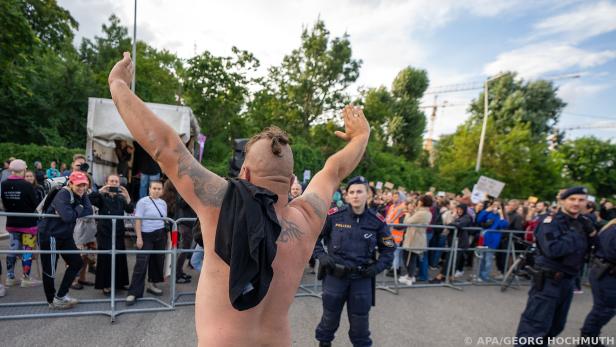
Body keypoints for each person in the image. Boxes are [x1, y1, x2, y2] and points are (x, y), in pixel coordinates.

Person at [109, 52, 370, 346]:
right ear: (292, 178)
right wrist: (362, 135)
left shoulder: (221, 203)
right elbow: (333, 171)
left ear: (244, 172)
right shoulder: (309, 217)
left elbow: (168, 149)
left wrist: (118, 84)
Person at [313, 176, 395, 346]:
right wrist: (321, 256)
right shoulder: (334, 216)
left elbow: (389, 249)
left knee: (360, 325)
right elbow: (313, 238)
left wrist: (376, 268)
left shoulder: (377, 221)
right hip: (335, 277)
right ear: (347, 196)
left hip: (361, 279)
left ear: (368, 195)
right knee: (329, 319)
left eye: (359, 191)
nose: (355, 195)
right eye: (352, 192)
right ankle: (324, 343)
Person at [515, 187, 595, 346]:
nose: (576, 203)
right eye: (572, 199)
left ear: (586, 202)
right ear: (562, 201)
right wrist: (574, 231)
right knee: (534, 326)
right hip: (548, 281)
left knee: (556, 325)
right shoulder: (550, 222)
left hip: (568, 281)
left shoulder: (583, 222)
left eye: (581, 200)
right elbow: (553, 249)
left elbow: (592, 247)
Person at [39, 171, 93, 309]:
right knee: (50, 270)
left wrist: (75, 209)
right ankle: (52, 301)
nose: (82, 188)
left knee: (76, 262)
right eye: (78, 185)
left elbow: (89, 211)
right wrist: (78, 209)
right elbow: (69, 217)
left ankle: (61, 296)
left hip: (65, 235)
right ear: (70, 183)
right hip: (50, 235)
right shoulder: (62, 193)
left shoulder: (83, 194)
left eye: (84, 185)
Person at [126, 180, 169, 305]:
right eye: (154, 188)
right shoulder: (142, 202)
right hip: (146, 235)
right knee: (141, 263)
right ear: (149, 189)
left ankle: (152, 284)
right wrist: (139, 237)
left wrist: (168, 238)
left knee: (157, 261)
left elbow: (164, 221)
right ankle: (133, 292)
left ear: (162, 191)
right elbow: (138, 220)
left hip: (160, 234)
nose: (156, 191)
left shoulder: (163, 203)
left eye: (159, 189)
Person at [89, 174, 133, 295]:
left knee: (119, 257)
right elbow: (89, 199)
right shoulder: (101, 196)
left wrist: (127, 196)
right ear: (106, 182)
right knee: (106, 258)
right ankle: (105, 285)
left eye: (116, 181)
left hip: (118, 232)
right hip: (105, 232)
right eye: (111, 181)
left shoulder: (121, 198)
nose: (113, 183)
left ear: (119, 184)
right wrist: (100, 191)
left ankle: (120, 283)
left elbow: (130, 209)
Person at [1, 160, 42, 287]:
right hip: (28, 223)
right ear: (23, 170)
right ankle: (26, 277)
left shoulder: (4, 184)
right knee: (27, 250)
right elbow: (35, 204)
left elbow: (4, 203)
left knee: (12, 249)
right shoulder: (27, 185)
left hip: (12, 222)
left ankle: (10, 277)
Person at [577, 219, 616, 347]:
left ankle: (590, 337)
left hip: (607, 273)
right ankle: (587, 339)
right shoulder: (613, 230)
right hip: (606, 273)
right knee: (604, 308)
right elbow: (611, 253)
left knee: (605, 308)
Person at [161, 179, 196, 284]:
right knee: (181, 249)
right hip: (181, 225)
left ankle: (178, 272)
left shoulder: (183, 190)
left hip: (182, 224)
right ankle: (175, 273)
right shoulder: (182, 190)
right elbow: (181, 204)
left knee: (181, 249)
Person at [399, 196, 432, 286]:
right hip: (415, 236)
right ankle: (409, 275)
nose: (418, 202)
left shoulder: (422, 213)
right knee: (409, 257)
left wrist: (408, 214)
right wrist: (412, 212)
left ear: (423, 202)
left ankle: (410, 277)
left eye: (420, 201)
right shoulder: (424, 212)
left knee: (410, 258)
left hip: (414, 238)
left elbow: (407, 222)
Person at [477, 200, 509, 282]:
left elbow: (503, 225)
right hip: (483, 239)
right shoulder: (488, 213)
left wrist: (501, 214)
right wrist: (486, 211)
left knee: (488, 259)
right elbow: (479, 220)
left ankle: (485, 276)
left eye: (498, 205)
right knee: (481, 258)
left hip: (492, 240)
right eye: (494, 205)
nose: (495, 207)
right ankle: (479, 274)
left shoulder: (501, 216)